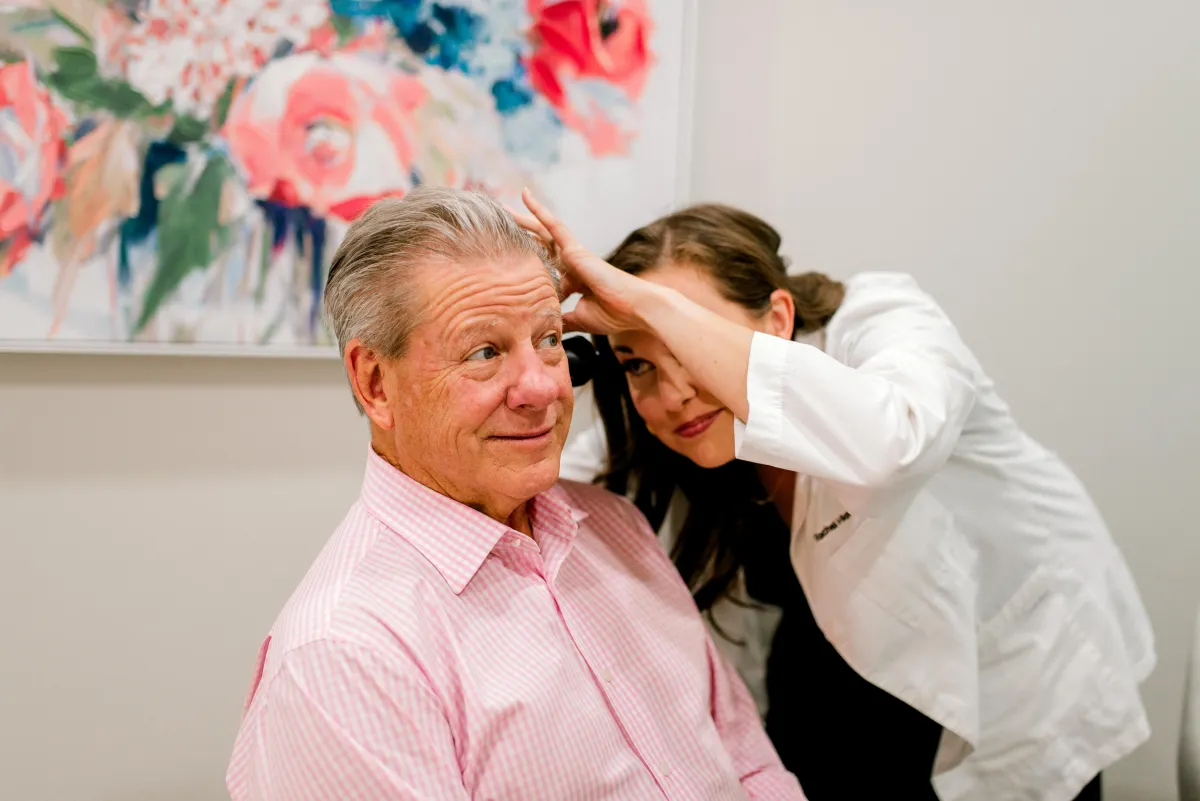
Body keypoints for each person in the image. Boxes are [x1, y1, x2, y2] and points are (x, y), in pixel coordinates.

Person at [513, 191, 1156, 801]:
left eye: (689, 341)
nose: (673, 391)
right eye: (637, 363)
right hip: (838, 667)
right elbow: (532, 481)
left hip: (1008, 674)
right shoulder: (674, 435)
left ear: (779, 320)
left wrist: (649, 309)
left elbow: (889, 443)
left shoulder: (883, 321)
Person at [225, 187, 805, 801]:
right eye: (485, 351)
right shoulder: (346, 656)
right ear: (375, 383)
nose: (542, 387)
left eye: (550, 339)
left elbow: (749, 764)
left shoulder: (615, 527)